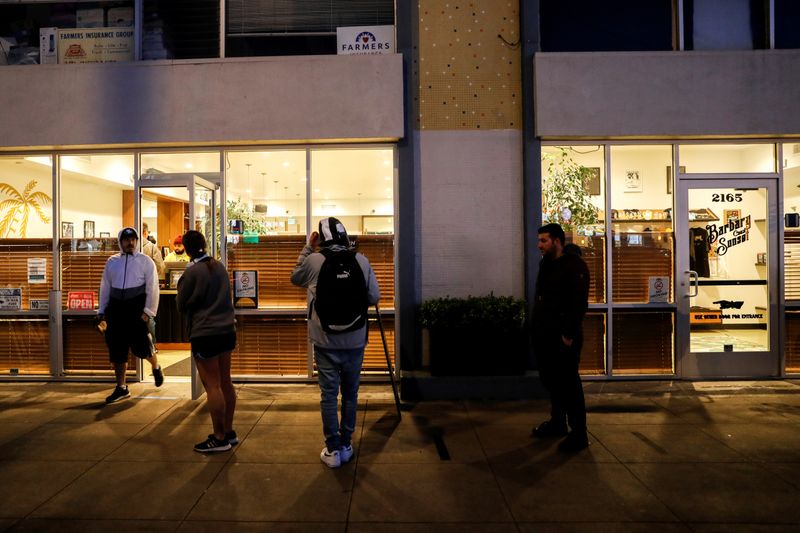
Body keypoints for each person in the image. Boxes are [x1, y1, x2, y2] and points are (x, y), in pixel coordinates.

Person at [291, 217, 380, 468]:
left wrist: (308, 247)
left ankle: (332, 451)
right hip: (354, 341)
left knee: (329, 396)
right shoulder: (361, 261)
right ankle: (346, 444)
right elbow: (374, 296)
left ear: (321, 237)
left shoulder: (314, 260)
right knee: (351, 394)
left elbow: (295, 278)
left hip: (325, 341)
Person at [531, 223, 591, 452]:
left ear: (557, 241)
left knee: (569, 385)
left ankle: (579, 434)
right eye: (539, 241)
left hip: (563, 338)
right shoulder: (547, 263)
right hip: (544, 335)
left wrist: (568, 334)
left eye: (544, 241)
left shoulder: (575, 266)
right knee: (553, 382)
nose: (540, 245)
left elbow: (579, 305)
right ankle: (558, 423)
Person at [176, 230, 238, 453]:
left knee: (212, 386)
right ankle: (229, 432)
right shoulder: (219, 266)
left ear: (187, 249)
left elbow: (181, 304)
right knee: (225, 382)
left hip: (205, 333)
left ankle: (219, 437)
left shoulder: (192, 272)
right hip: (227, 331)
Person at [97, 227, 164, 404]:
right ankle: (121, 387)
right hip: (116, 310)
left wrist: (148, 312)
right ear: (121, 241)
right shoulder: (112, 262)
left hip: (136, 310)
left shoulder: (146, 261)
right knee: (117, 350)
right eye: (126, 240)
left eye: (133, 239)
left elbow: (152, 289)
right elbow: (105, 287)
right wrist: (102, 311)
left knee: (142, 347)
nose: (130, 242)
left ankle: (156, 367)